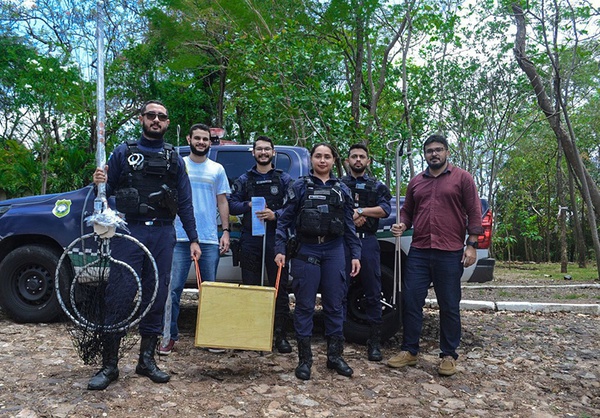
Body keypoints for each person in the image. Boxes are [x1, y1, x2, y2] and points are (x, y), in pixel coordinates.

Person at [90, 100, 201, 390]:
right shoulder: (123, 153)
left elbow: (186, 202)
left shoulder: (174, 159)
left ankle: (147, 361)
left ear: (166, 123)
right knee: (120, 293)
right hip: (130, 233)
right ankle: (110, 365)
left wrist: (193, 239)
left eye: (161, 117)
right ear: (141, 118)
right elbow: (105, 191)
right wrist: (98, 181)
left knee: (157, 294)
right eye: (151, 115)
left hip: (163, 234)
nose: (156, 120)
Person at [387, 134, 483, 376]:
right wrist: (401, 224)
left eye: (438, 149)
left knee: (449, 305)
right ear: (425, 154)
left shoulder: (462, 178)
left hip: (449, 252)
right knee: (410, 301)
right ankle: (409, 351)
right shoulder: (416, 182)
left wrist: (472, 245)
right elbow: (407, 212)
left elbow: (474, 212)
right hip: (419, 250)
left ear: (447, 152)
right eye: (429, 150)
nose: (434, 154)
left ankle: (448, 355)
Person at [275, 143, 361, 381]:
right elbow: (284, 220)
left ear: (334, 160)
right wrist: (280, 249)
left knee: (335, 305)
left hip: (334, 250)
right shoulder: (299, 186)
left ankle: (335, 357)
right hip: (306, 250)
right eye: (318, 156)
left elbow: (350, 225)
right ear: (311, 159)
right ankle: (305, 360)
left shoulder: (341, 189)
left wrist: (355, 254)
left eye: (327, 157)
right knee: (304, 306)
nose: (322, 161)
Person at [158, 123, 231, 355]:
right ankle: (168, 336)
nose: (201, 142)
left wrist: (225, 231)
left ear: (210, 142)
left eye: (206, 139)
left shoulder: (217, 169)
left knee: (209, 290)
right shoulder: (179, 165)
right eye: (197, 138)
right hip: (178, 236)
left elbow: (222, 201)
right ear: (189, 139)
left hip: (209, 237)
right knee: (173, 289)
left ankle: (210, 337)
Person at [228, 136, 294, 353]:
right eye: (259, 149)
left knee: (278, 287)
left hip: (277, 239)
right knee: (251, 287)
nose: (263, 153)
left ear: (273, 152)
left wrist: (276, 214)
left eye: (267, 149)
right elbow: (231, 204)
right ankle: (252, 334)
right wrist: (248, 204)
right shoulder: (244, 179)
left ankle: (280, 335)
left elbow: (295, 206)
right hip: (250, 240)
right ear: (253, 152)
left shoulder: (284, 179)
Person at [341, 143, 392, 362]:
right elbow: (333, 209)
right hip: (343, 242)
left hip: (368, 242)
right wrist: (350, 217)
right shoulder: (339, 184)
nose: (358, 160)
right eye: (354, 156)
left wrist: (360, 211)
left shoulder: (377, 186)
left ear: (368, 161)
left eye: (362, 156)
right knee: (338, 289)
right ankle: (337, 338)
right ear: (347, 161)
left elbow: (385, 210)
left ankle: (374, 341)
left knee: (373, 289)